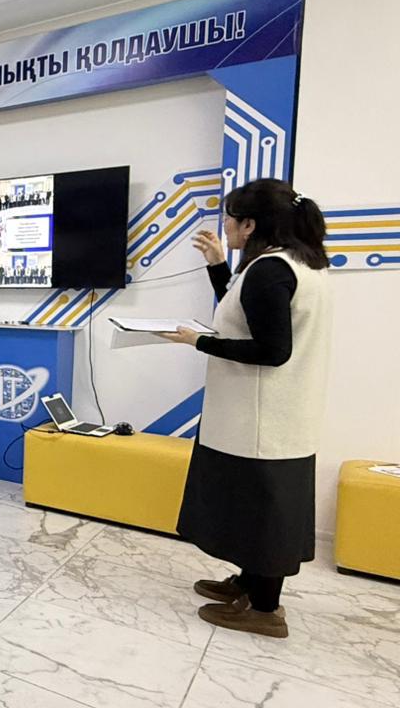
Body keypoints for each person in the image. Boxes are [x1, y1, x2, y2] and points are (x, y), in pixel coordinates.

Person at [159, 179, 332, 639]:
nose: (226, 226)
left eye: (230, 219)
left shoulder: (269, 270)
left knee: (263, 512)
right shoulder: (298, 263)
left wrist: (199, 341)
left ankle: (265, 610)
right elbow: (244, 313)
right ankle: (249, 582)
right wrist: (219, 266)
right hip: (279, 415)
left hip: (260, 418)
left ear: (250, 224)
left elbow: (272, 350)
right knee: (256, 508)